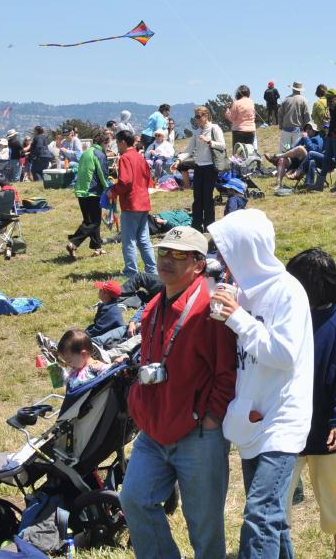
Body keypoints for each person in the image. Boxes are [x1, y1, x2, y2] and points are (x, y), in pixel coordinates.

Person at [122, 225, 236, 559]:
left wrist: (212, 418)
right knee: (134, 499)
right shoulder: (156, 303)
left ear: (199, 264)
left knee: (203, 526)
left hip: (198, 434)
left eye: (179, 255)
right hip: (154, 430)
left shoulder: (210, 306)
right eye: (163, 252)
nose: (167, 260)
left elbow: (227, 372)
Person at [205, 209, 313, 559]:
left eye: (225, 250)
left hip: (281, 420)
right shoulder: (242, 290)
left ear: (245, 250)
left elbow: (282, 354)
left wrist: (237, 318)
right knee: (272, 518)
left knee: (259, 515)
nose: (220, 259)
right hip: (250, 419)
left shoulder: (287, 292)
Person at [284, 248, 336, 559]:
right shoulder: (291, 318)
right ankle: (279, 549)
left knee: (334, 497)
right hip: (289, 429)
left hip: (327, 433)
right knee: (278, 501)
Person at [108, 130, 157, 278]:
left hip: (131, 203)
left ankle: (131, 271)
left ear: (123, 142)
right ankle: (152, 270)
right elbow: (149, 179)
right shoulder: (140, 157)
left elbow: (125, 181)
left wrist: (113, 191)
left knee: (129, 239)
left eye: (117, 143)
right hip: (143, 202)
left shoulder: (125, 158)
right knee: (144, 239)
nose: (117, 146)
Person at [65, 130, 109, 260]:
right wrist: (108, 188)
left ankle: (97, 247)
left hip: (81, 190)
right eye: (108, 144)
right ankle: (73, 242)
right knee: (94, 222)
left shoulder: (86, 152)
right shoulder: (99, 153)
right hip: (92, 191)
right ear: (104, 142)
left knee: (89, 220)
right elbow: (102, 173)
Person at [185, 107, 226, 231]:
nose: (196, 120)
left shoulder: (214, 128)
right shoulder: (197, 132)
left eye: (198, 117)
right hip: (199, 167)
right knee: (197, 198)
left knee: (207, 197)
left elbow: (223, 145)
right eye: (195, 117)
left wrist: (209, 141)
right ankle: (196, 225)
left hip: (210, 167)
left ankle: (209, 225)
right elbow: (189, 150)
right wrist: (178, 160)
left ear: (206, 116)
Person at [226, 85, 258, 152]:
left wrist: (227, 114)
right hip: (251, 130)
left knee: (238, 152)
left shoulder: (236, 103)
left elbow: (232, 118)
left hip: (239, 131)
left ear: (238, 93)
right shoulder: (251, 102)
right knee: (248, 151)